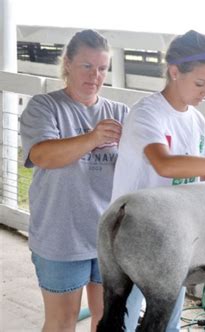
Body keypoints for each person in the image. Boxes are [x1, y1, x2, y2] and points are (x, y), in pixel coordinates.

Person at [110, 30, 205, 331]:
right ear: (174, 72)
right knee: (122, 319)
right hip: (134, 236)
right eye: (200, 83)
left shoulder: (196, 120)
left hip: (174, 237)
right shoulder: (146, 113)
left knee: (167, 322)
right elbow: (164, 163)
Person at [19, 29, 129, 332]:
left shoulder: (120, 112)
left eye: (102, 68)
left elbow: (156, 156)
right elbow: (42, 155)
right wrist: (93, 138)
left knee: (106, 319)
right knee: (61, 321)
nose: (95, 75)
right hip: (60, 235)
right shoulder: (43, 106)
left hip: (109, 237)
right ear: (67, 63)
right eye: (86, 66)